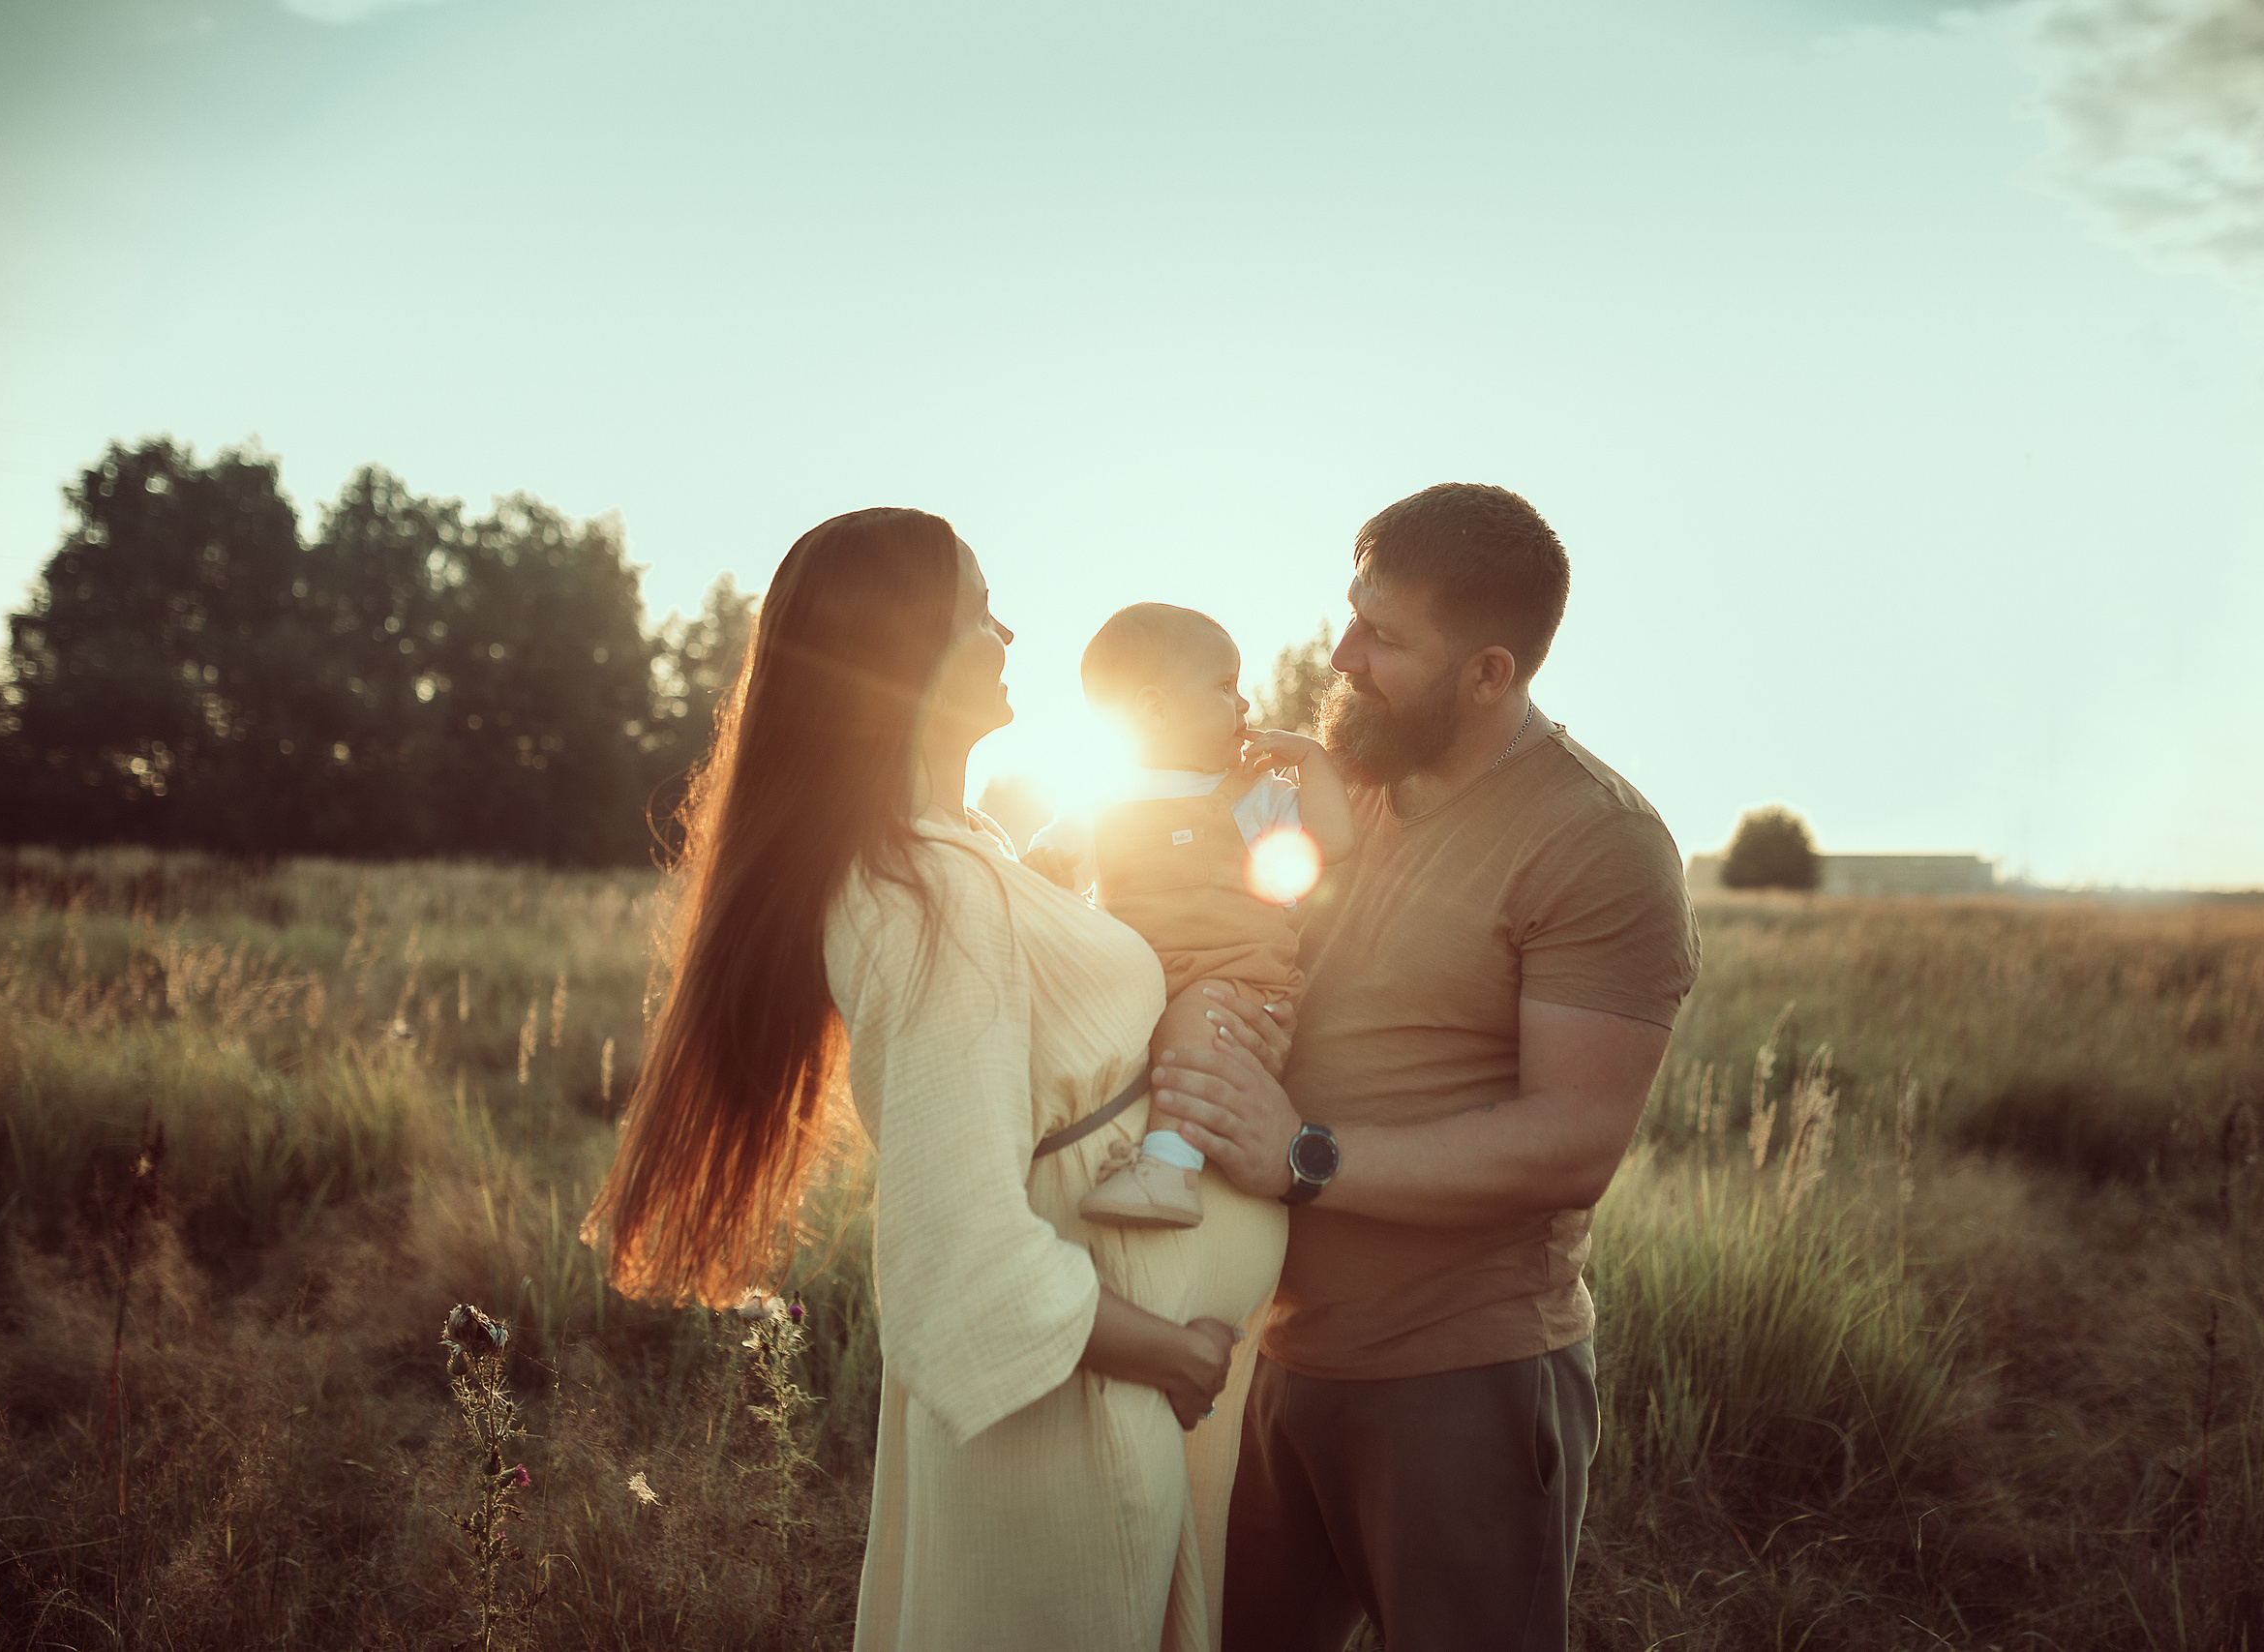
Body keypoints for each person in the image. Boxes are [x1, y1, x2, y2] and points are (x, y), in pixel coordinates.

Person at [579, 509, 1291, 1652]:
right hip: (1080, 1422)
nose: (1006, 634)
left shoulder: (959, 854)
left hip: (1108, 1403)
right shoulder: (922, 895)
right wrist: (1168, 1350)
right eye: (978, 611)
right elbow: (957, 1252)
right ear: (901, 652)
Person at [1149, 484, 1702, 1651]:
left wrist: (1299, 1155)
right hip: (1268, 1357)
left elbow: (1571, 1141)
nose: (1341, 657)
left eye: (1384, 638)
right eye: (1352, 616)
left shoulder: (1599, 841)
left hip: (1461, 1386)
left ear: (1489, 673)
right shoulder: (1337, 785)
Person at [1024, 602, 1354, 1230]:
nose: (1244, 703)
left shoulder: (1253, 796)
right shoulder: (1100, 804)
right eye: (1224, 686)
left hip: (1233, 986)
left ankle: (1169, 1168)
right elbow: (1050, 875)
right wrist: (1044, 866)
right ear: (1153, 709)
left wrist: (1312, 761)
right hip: (1143, 982)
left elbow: (1332, 841)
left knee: (1192, 1024)